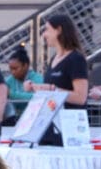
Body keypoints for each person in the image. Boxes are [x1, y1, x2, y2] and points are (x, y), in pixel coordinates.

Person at [37, 14, 90, 147]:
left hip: (69, 127)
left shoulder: (76, 59)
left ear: (59, 30)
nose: (44, 35)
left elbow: (80, 97)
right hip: (50, 123)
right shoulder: (54, 59)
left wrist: (53, 90)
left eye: (47, 30)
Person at [3, 47, 43, 118]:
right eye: (10, 69)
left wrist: (11, 94)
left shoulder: (38, 79)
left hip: (33, 118)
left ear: (26, 66)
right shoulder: (9, 80)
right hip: (13, 120)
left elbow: (38, 98)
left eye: (15, 68)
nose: (12, 72)